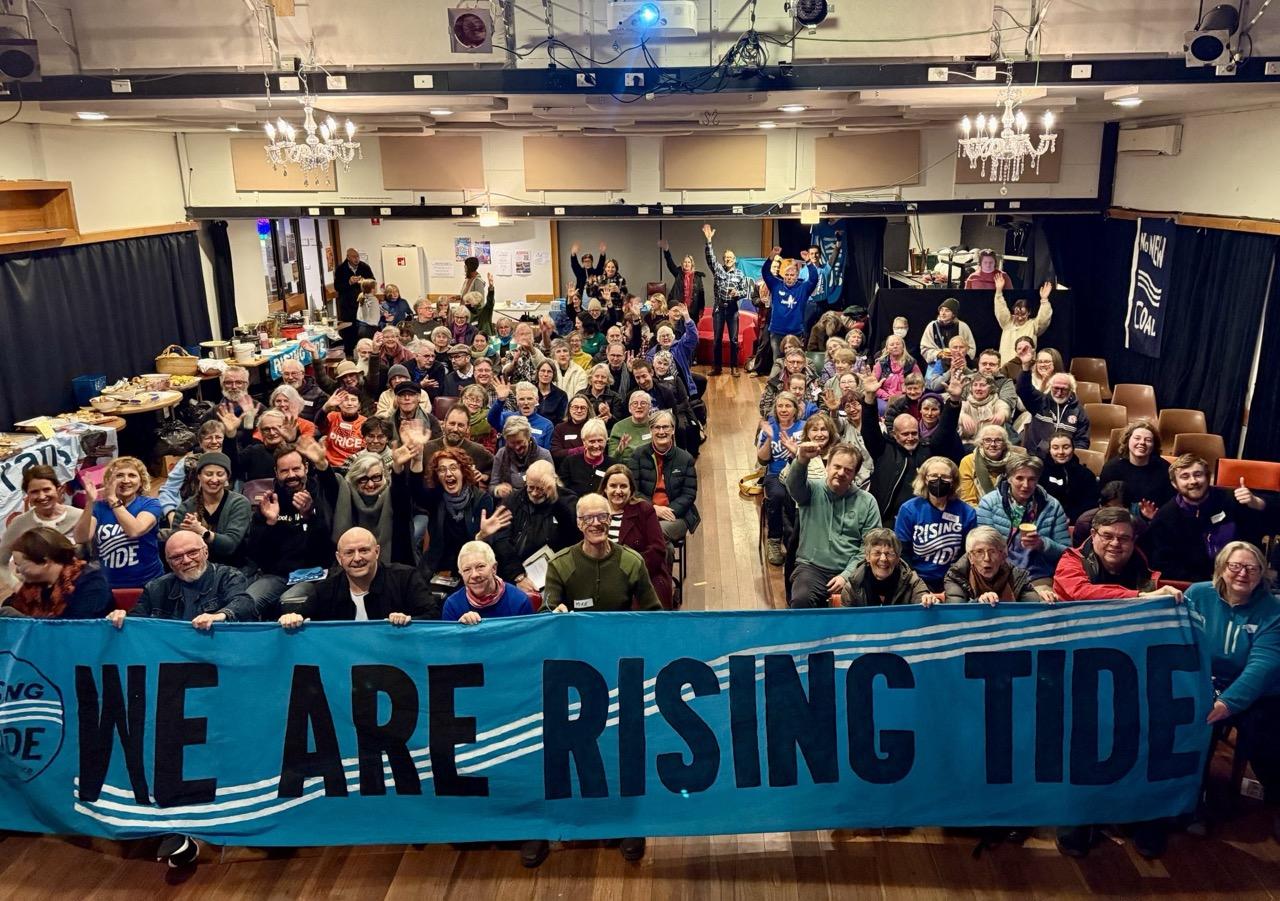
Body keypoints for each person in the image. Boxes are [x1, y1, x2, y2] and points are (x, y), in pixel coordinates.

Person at [1184, 541, 1280, 843]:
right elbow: (1179, 639)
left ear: (1261, 574)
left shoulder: (1272, 610)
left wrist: (1228, 702)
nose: (1242, 573)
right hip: (1203, 682)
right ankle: (1192, 800)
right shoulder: (1198, 595)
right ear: (1221, 569)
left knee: (1265, 734)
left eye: (1251, 568)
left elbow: (1263, 665)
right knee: (1189, 728)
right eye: (1234, 566)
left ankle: (1276, 798)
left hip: (1259, 690)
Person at [1143, 454, 1276, 583]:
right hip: (1194, 585)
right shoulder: (1165, 517)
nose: (1193, 481)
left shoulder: (1234, 500)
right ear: (1174, 483)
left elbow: (1271, 524)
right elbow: (1163, 564)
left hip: (1242, 577)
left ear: (1208, 477)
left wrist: (1259, 504)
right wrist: (1207, 583)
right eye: (1185, 476)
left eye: (1198, 474)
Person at [784, 441, 880, 608]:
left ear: (854, 474)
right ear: (827, 466)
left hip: (853, 571)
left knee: (867, 607)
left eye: (848, 470)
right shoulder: (811, 490)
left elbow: (869, 546)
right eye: (837, 466)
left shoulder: (867, 501)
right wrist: (801, 460)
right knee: (801, 599)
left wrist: (847, 574)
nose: (841, 473)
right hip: (812, 568)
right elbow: (793, 485)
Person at [279, 526, 439, 626]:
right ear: (339, 558)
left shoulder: (406, 578)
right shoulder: (325, 589)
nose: (357, 558)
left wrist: (409, 621)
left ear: (376, 552)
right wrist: (291, 619)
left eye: (364, 550)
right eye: (349, 552)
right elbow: (300, 616)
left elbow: (433, 615)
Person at [860, 370, 964, 523]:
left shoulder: (929, 449)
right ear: (894, 434)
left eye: (914, 433)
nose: (910, 438)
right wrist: (869, 398)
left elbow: (946, 430)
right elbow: (869, 430)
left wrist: (954, 401)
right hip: (887, 519)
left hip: (926, 519)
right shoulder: (884, 449)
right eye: (905, 434)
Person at [243, 446, 334, 615]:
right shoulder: (269, 502)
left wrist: (309, 517)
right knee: (247, 602)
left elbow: (325, 549)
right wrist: (270, 523)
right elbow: (255, 554)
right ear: (276, 472)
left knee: (290, 602)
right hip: (277, 575)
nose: (291, 475)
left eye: (296, 469)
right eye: (284, 471)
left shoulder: (321, 495)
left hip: (313, 574)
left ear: (306, 468)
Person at [975, 454, 1070, 588]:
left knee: (1044, 602)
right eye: (1019, 478)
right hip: (998, 574)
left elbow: (1066, 552)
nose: (1026, 485)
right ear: (1008, 478)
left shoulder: (1052, 506)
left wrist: (1042, 544)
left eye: (1031, 479)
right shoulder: (989, 503)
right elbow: (981, 546)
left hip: (1036, 575)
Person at [418, 447, 509, 584]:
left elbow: (485, 549)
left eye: (453, 468)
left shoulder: (482, 499)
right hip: (437, 566)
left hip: (470, 566)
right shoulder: (435, 497)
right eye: (442, 470)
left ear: (463, 471)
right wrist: (416, 457)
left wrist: (481, 536)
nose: (448, 474)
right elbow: (413, 490)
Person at [74, 457, 163, 590]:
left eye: (132, 475)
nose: (126, 480)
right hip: (110, 585)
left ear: (141, 482)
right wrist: (90, 503)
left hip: (148, 583)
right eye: (119, 475)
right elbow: (81, 537)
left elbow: (135, 531)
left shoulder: (150, 504)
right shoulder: (98, 507)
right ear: (109, 481)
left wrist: (112, 499)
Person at [491, 460, 579, 591]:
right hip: (514, 573)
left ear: (553, 481)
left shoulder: (567, 499)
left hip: (554, 574)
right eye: (530, 487)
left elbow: (573, 534)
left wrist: (555, 497)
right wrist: (518, 575)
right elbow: (501, 539)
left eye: (540, 488)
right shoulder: (514, 500)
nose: (534, 493)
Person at [894, 456, 977, 592]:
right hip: (916, 578)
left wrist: (954, 581)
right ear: (924, 479)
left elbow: (967, 554)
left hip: (953, 578)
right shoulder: (909, 509)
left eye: (945, 476)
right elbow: (902, 552)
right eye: (933, 475)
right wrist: (916, 583)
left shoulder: (967, 512)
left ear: (953, 481)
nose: (939, 480)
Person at [1053, 507, 1174, 601]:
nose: (1115, 543)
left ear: (1133, 540)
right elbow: (1080, 592)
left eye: (1124, 538)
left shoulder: (1143, 563)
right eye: (1107, 536)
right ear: (1093, 534)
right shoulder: (1071, 560)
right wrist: (1140, 596)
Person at [601, 464, 673, 608]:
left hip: (642, 577)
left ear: (631, 489)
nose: (618, 491)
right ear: (605, 488)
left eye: (623, 486)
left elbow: (657, 549)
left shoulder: (644, 509)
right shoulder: (596, 512)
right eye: (613, 486)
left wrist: (627, 571)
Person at [0, 465, 80, 591]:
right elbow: (1, 563)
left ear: (59, 489)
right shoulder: (19, 523)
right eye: (34, 492)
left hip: (78, 589)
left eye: (46, 489)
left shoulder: (79, 516)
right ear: (27, 495)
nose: (42, 496)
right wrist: (18, 588)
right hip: (37, 597)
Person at [4, 527, 110, 619]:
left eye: (20, 564)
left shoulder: (91, 583)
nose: (17, 570)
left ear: (46, 562)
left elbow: (77, 628)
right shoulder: (33, 587)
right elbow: (8, 607)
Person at [628, 410, 699, 543]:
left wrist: (667, 511)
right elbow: (633, 490)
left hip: (676, 516)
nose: (662, 432)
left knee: (655, 532)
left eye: (666, 427)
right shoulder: (637, 455)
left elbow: (689, 494)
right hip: (644, 513)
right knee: (664, 545)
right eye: (657, 427)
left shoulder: (685, 459)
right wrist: (653, 509)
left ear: (673, 430)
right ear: (651, 430)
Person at [170, 452, 251, 567]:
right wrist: (186, 534)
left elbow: (230, 545)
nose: (214, 479)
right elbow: (176, 546)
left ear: (227, 477)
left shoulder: (239, 503)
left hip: (234, 568)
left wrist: (201, 531)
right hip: (196, 568)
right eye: (208, 474)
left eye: (220, 474)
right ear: (199, 476)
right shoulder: (186, 507)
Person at [941, 525, 1052, 604]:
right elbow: (956, 613)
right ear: (970, 557)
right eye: (979, 552)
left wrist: (1043, 601)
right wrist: (978, 603)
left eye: (992, 552)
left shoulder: (1017, 576)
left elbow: (1031, 609)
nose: (987, 558)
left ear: (1003, 556)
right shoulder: (956, 576)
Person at [758, 390, 806, 564]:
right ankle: (774, 540)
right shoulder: (770, 427)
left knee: (798, 498)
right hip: (775, 474)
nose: (783, 409)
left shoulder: (804, 427)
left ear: (795, 409)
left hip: (800, 472)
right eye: (780, 406)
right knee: (778, 495)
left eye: (788, 406)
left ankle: (798, 541)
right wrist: (770, 438)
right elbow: (762, 460)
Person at [1014, 349, 1090, 456]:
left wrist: (1069, 456)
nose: (1059, 393)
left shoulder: (1079, 412)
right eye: (1056, 389)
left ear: (1071, 390)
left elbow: (1082, 441)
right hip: (1037, 458)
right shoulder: (1041, 402)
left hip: (1064, 459)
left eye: (1063, 389)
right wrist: (1026, 367)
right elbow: (1023, 390)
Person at [761, 244, 821, 368]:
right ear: (783, 275)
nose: (789, 277)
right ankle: (777, 385)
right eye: (787, 275)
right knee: (778, 361)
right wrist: (772, 256)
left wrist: (808, 261)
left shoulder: (803, 288)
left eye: (792, 275)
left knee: (795, 362)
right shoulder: (775, 285)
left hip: (795, 332)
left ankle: (792, 385)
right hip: (777, 331)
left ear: (797, 276)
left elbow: (814, 278)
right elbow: (765, 272)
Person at [443, 541, 532, 622]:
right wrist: (458, 629)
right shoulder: (452, 605)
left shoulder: (519, 600)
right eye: (467, 570)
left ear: (494, 568)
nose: (474, 575)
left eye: (480, 566)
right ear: (461, 573)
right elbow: (449, 640)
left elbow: (529, 638)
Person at [840, 528, 933, 607]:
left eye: (889, 553)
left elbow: (923, 602)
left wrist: (929, 601)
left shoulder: (913, 582)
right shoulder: (852, 586)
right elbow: (847, 624)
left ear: (897, 558)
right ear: (867, 557)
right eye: (877, 553)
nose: (883, 559)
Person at [1098, 419, 1173, 515]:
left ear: (1154, 445)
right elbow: (1104, 503)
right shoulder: (1112, 468)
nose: (1142, 442)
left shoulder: (1164, 469)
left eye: (1148, 440)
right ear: (1127, 440)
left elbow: (1168, 504)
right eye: (1137, 438)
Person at [1041, 430, 1100, 523]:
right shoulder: (1040, 471)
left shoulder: (1086, 475)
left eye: (1066, 447)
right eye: (1055, 448)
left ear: (1073, 448)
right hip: (1044, 519)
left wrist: (1070, 517)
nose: (1061, 452)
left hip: (1074, 521)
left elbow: (1090, 503)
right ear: (1049, 450)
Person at [993, 273, 1054, 364]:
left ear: (1029, 313)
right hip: (1006, 366)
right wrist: (998, 291)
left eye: (1023, 314)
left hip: (1025, 367)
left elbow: (1044, 319)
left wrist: (1044, 300)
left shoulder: (1033, 325)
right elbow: (1000, 309)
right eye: (1017, 314)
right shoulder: (1007, 323)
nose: (1020, 317)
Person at [490, 416, 554, 500]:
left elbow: (552, 488)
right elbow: (492, 486)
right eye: (512, 443)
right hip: (509, 504)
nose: (517, 447)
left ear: (528, 437)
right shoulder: (502, 454)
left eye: (520, 442)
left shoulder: (543, 455)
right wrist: (497, 490)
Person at [423, 404, 494, 476]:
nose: (455, 429)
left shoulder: (478, 450)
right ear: (444, 424)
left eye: (460, 425)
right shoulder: (427, 448)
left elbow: (496, 468)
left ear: (468, 428)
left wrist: (485, 477)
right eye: (452, 424)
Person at [958, 425, 1014, 507]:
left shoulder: (1014, 462)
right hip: (978, 513)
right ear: (981, 443)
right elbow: (967, 500)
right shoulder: (968, 462)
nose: (993, 444)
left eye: (998, 440)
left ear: (1004, 445)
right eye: (988, 440)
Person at [489, 381, 554, 450]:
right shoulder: (507, 418)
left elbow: (547, 452)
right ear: (517, 401)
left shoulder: (546, 425)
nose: (526, 403)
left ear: (536, 400)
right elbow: (491, 419)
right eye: (522, 399)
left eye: (530, 399)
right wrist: (500, 400)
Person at [558, 417, 613, 497]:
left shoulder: (613, 465)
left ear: (606, 440)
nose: (596, 445)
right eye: (592, 441)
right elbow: (562, 493)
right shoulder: (570, 463)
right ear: (584, 442)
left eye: (600, 440)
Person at [334, 247, 374, 353]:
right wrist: (349, 282)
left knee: (363, 329)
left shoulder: (364, 267)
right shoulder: (341, 269)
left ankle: (365, 351)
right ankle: (350, 354)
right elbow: (337, 287)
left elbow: (373, 282)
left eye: (358, 256)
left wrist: (364, 282)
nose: (356, 259)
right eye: (354, 257)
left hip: (363, 304)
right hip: (347, 306)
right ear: (348, 257)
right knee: (349, 331)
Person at [918, 297, 976, 366]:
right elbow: (925, 348)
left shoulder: (962, 327)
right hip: (937, 366)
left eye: (947, 311)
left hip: (959, 364)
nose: (943, 313)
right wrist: (939, 354)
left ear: (953, 314)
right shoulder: (932, 326)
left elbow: (971, 348)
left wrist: (959, 355)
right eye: (941, 310)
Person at [661, 237, 707, 323]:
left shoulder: (697, 277)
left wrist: (701, 309)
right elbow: (670, 264)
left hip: (693, 310)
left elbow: (701, 294)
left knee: (691, 331)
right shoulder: (678, 273)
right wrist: (666, 251)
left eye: (689, 262)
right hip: (679, 308)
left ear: (692, 264)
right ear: (682, 264)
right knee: (679, 330)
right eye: (685, 262)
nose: (686, 264)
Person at [872, 335, 919, 415]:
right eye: (892, 344)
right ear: (887, 348)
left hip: (907, 397)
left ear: (903, 347)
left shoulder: (911, 363)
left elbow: (919, 384)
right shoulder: (880, 364)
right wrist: (887, 396)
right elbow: (873, 385)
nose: (895, 346)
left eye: (898, 344)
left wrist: (909, 394)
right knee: (883, 409)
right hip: (885, 397)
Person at [958, 375, 1010, 442]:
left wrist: (1002, 413)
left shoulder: (997, 403)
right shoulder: (965, 404)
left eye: (982, 385)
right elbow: (957, 411)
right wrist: (962, 416)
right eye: (975, 385)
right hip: (968, 444)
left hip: (992, 444)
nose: (978, 388)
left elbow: (1004, 408)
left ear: (990, 388)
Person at [279, 357, 329, 425]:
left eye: (294, 373)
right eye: (286, 374)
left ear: (302, 374)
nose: (290, 377)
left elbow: (320, 425)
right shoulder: (279, 393)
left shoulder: (318, 394)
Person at [608, 390, 655, 460]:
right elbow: (612, 459)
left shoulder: (656, 424)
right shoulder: (618, 427)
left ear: (650, 407)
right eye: (635, 403)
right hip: (626, 467)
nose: (639, 406)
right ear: (629, 408)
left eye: (643, 403)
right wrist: (620, 449)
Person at [532, 359, 569, 425]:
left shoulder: (561, 395)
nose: (546, 374)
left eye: (549, 372)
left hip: (552, 430)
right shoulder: (529, 391)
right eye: (543, 371)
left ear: (553, 374)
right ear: (537, 372)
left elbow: (560, 421)